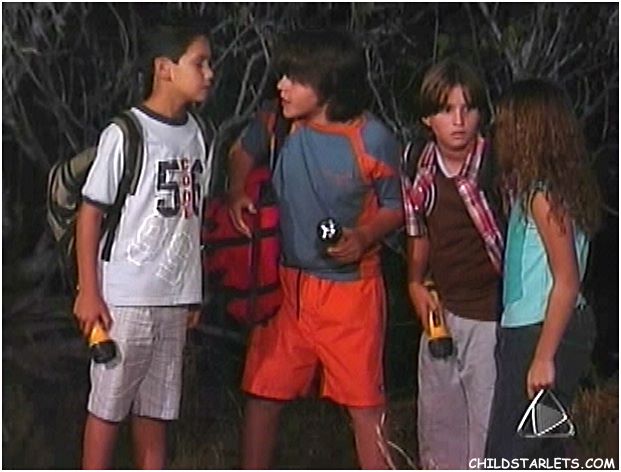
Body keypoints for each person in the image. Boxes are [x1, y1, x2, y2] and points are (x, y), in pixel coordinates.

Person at [227, 29, 403, 469]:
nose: (281, 86)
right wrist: (237, 191)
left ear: (329, 83)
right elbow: (240, 152)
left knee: (365, 406)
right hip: (287, 289)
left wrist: (364, 236)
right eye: (282, 75)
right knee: (263, 394)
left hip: (350, 293)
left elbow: (397, 206)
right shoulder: (277, 122)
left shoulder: (371, 138)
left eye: (295, 78)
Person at [73, 24, 213, 469]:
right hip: (126, 297)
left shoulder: (199, 134)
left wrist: (193, 290)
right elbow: (91, 213)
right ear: (164, 68)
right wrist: (89, 290)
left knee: (156, 411)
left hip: (172, 297)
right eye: (199, 63)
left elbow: (192, 219)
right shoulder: (127, 132)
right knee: (108, 407)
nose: (209, 73)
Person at [485, 79, 601, 460]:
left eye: (506, 124)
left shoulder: (544, 196)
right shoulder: (549, 190)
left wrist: (543, 356)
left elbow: (566, 280)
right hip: (545, 325)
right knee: (546, 449)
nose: (499, 133)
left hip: (539, 328)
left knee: (510, 453)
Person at [401, 58, 504, 469]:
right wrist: (414, 283)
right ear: (428, 118)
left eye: (468, 108)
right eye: (447, 110)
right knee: (439, 428)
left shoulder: (497, 164)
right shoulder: (417, 162)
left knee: (488, 430)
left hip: (490, 316)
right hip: (441, 311)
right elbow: (417, 229)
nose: (459, 121)